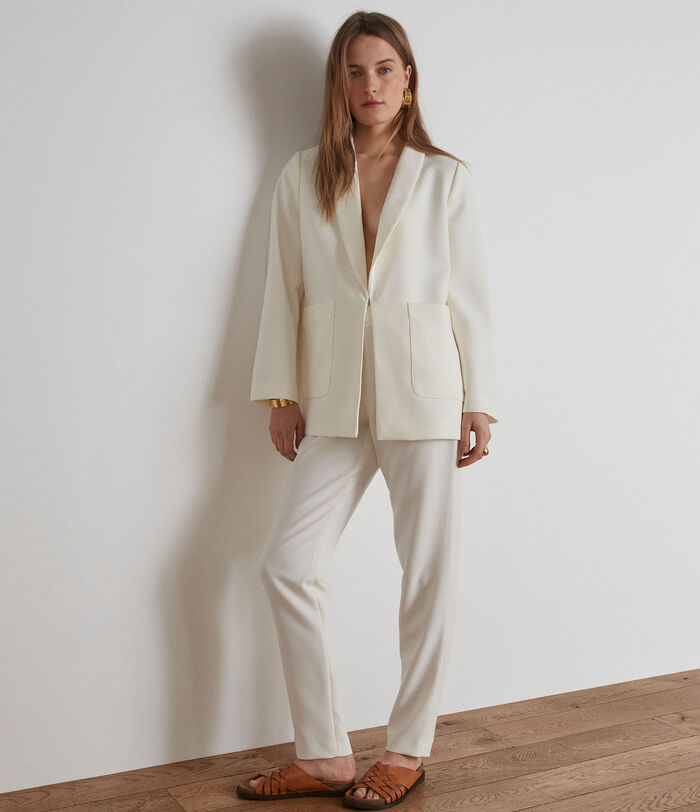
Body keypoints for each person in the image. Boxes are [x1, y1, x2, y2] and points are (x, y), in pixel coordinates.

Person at [239, 11, 499, 808]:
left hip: (425, 394)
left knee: (426, 576)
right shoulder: (303, 175)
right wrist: (281, 393)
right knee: (287, 564)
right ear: (339, 84)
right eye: (355, 72)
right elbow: (283, 290)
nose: (370, 85)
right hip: (334, 399)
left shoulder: (445, 178)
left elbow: (470, 300)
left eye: (384, 69)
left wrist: (480, 401)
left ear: (408, 78)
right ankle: (324, 754)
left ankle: (407, 750)